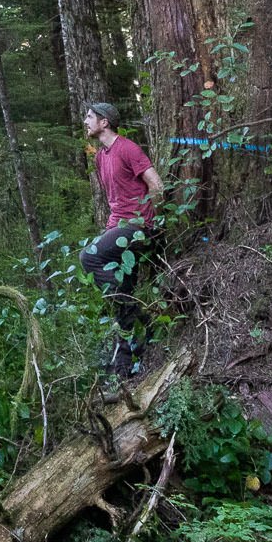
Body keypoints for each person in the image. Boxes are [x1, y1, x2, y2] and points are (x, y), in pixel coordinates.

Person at [79, 100, 162, 377]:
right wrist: (110, 230)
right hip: (119, 228)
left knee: (88, 256)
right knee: (121, 294)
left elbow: (156, 184)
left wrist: (149, 219)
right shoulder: (101, 157)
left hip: (138, 227)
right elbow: (115, 201)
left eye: (90, 117)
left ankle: (141, 316)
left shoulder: (128, 148)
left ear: (105, 122)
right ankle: (124, 366)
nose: (86, 121)